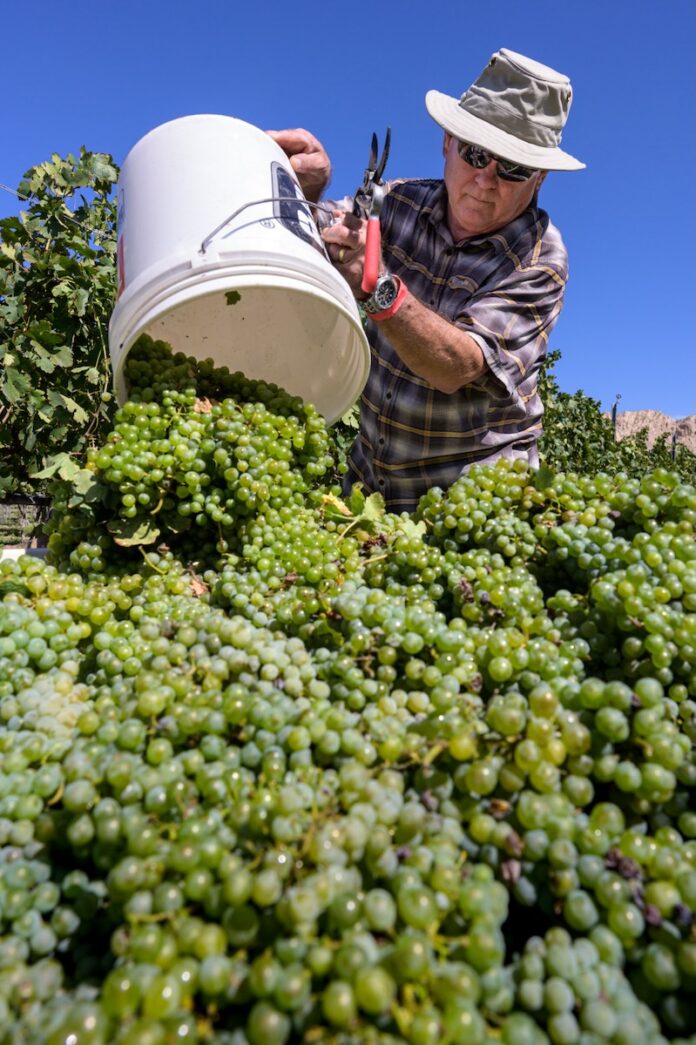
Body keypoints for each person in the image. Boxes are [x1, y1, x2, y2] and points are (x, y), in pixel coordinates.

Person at [268, 48, 585, 513]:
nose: (486, 179)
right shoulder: (398, 200)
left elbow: (456, 367)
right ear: (447, 144)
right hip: (370, 485)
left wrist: (378, 288)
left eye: (512, 168)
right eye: (475, 154)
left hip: (472, 501)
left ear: (538, 180)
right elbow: (333, 233)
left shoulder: (539, 259)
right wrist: (309, 191)